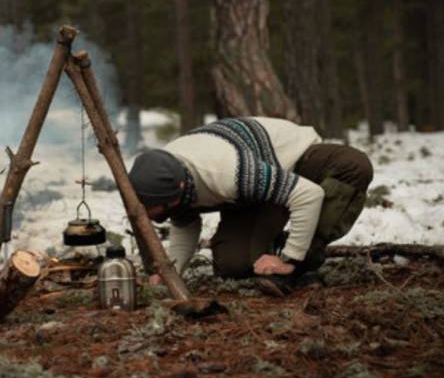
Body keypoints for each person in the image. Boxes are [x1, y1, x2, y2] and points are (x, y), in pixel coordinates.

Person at [128, 116, 373, 292]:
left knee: (353, 166)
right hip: (251, 197)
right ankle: (279, 243)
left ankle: (300, 257)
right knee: (234, 265)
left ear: (180, 188)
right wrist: (172, 272)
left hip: (293, 161)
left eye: (160, 211)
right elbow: (184, 222)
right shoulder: (162, 176)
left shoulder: (228, 171)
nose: (156, 217)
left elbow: (308, 195)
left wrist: (289, 259)